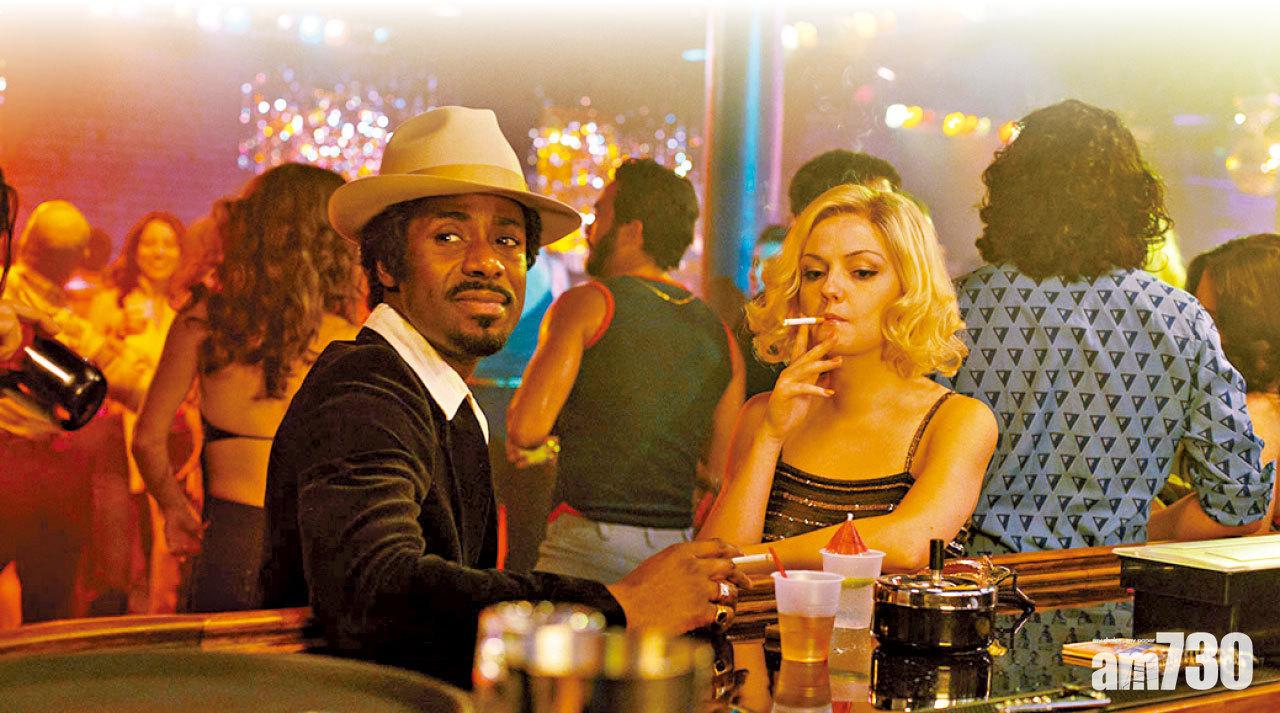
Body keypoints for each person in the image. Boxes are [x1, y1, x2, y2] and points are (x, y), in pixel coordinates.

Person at [259, 106, 748, 688]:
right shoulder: (366, 389)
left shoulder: (437, 395)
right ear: (386, 263)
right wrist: (621, 603)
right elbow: (372, 589)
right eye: (448, 236)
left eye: (507, 240)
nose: (486, 262)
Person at [938, 99, 1273, 553]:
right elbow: (1239, 505)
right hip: (1113, 587)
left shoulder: (955, 307)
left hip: (972, 583)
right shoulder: (1181, 319)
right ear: (1133, 202)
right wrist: (1130, 534)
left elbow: (898, 468)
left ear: (1009, 196)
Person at [698, 185, 997, 572]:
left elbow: (909, 544)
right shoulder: (763, 416)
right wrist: (769, 437)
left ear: (909, 288)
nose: (830, 288)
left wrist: (754, 560)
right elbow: (709, 568)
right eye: (814, 273)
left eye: (862, 272)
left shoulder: (957, 421)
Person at [132, 164, 364, 613]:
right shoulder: (352, 340)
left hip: (232, 545)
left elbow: (146, 439)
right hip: (321, 550)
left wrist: (174, 510)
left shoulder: (202, 322)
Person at [506, 158, 745, 584]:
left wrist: (554, 447)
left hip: (585, 549)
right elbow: (717, 472)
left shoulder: (588, 304)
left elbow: (526, 429)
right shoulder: (722, 335)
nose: (589, 229)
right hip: (674, 554)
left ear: (632, 231)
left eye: (600, 215)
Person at [0, 189, 152, 622]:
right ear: (74, 258)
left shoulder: (13, 297)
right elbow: (131, 385)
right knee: (47, 614)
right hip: (38, 473)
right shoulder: (61, 324)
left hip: (22, 466)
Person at [87, 211, 201, 614]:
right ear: (134, 251)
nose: (159, 252)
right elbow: (87, 366)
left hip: (175, 442)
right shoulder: (110, 303)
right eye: (149, 243)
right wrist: (113, 335)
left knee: (167, 552)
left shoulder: (189, 308)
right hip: (117, 441)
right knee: (114, 553)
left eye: (168, 243)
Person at [1153, 234, 1280, 534]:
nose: (1196, 332)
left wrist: (1130, 526)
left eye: (1212, 319)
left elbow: (1236, 522)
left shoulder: (1258, 409)